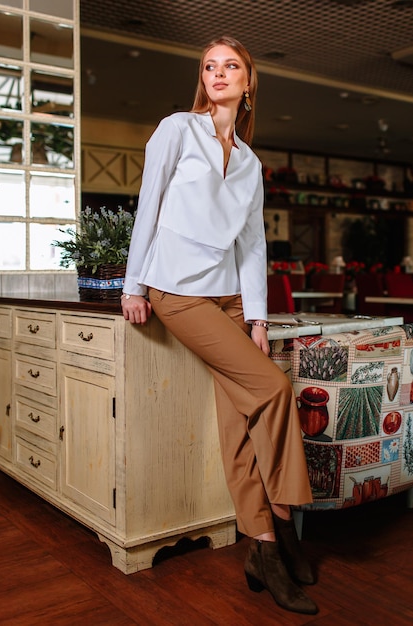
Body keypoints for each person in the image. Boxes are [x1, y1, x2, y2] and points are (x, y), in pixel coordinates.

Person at [121, 35, 318, 616]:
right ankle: (283, 526)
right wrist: (134, 286)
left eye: (230, 66)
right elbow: (148, 207)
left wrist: (256, 315)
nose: (219, 74)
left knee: (240, 426)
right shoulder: (176, 129)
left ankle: (260, 550)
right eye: (210, 66)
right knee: (274, 389)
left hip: (232, 298)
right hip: (178, 291)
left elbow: (253, 243)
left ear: (249, 81)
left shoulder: (252, 163)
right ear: (202, 78)